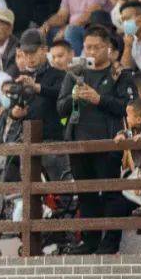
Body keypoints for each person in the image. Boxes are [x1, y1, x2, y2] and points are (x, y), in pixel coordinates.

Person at [57, 26, 127, 254]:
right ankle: (90, 240)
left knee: (110, 192)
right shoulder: (74, 73)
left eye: (97, 47)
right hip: (79, 142)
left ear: (108, 47)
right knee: (86, 193)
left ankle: (111, 242)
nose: (92, 51)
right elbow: (60, 108)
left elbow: (128, 107)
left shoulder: (119, 74)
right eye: (88, 47)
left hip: (109, 142)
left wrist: (99, 99)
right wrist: (73, 97)